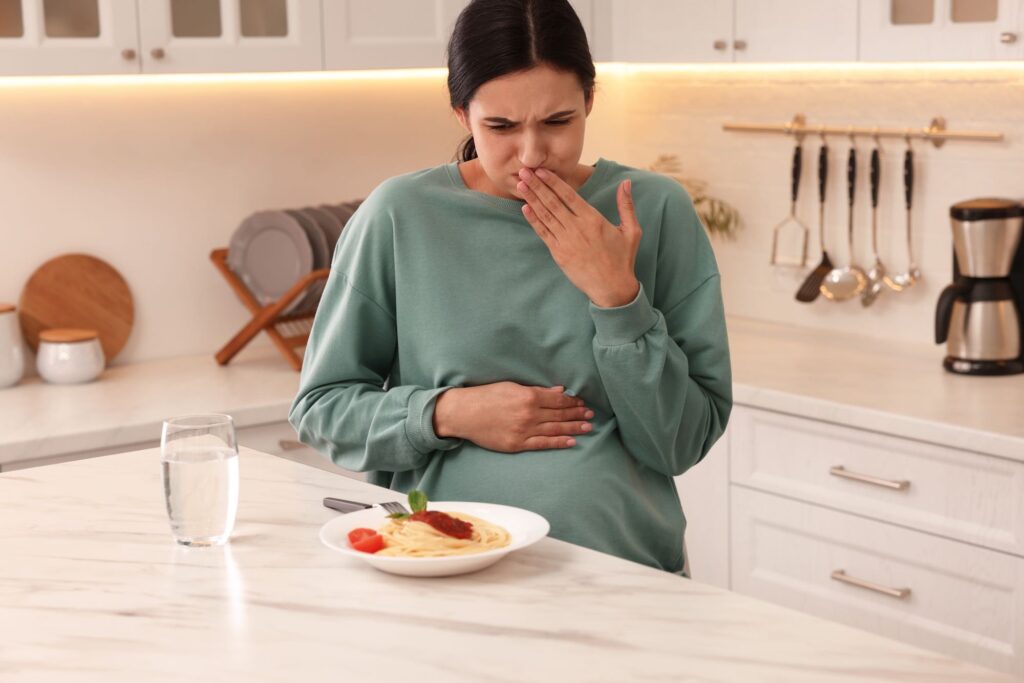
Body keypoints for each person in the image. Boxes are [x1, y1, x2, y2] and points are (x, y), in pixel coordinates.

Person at [289, 0, 731, 575]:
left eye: (557, 122)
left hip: (623, 571)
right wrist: (447, 412)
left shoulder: (653, 211)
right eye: (500, 127)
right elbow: (321, 409)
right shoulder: (400, 215)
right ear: (461, 114)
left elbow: (680, 444)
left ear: (590, 102)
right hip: (441, 572)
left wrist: (617, 299)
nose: (532, 153)